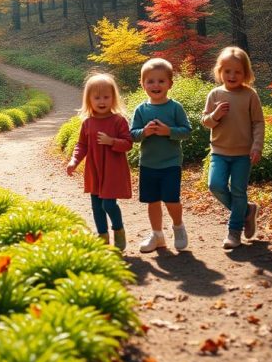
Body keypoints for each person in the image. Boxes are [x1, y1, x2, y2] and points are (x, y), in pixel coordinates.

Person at [201, 46, 265, 250]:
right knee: (215, 185)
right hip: (219, 151)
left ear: (246, 73)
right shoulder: (214, 94)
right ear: (220, 71)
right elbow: (206, 122)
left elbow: (258, 122)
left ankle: (234, 231)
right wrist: (215, 115)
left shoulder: (250, 95)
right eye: (227, 71)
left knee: (238, 192)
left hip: (243, 154)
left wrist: (257, 146)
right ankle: (247, 211)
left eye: (237, 71)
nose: (232, 75)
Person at [130, 58, 191, 253]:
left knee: (171, 199)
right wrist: (144, 132)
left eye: (161, 81)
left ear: (170, 84)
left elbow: (187, 131)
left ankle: (178, 227)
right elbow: (132, 135)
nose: (156, 85)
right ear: (143, 84)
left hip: (171, 163)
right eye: (150, 81)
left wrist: (169, 132)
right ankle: (157, 235)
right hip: (148, 163)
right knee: (152, 201)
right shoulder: (141, 109)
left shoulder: (175, 107)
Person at [66, 72, 133, 250]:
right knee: (96, 206)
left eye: (106, 97)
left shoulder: (119, 121)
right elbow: (82, 145)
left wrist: (112, 141)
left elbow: (128, 144)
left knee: (108, 204)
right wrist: (74, 161)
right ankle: (102, 238)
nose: (102, 101)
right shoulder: (88, 123)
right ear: (89, 100)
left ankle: (118, 230)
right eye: (97, 97)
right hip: (94, 170)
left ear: (113, 98)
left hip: (112, 170)